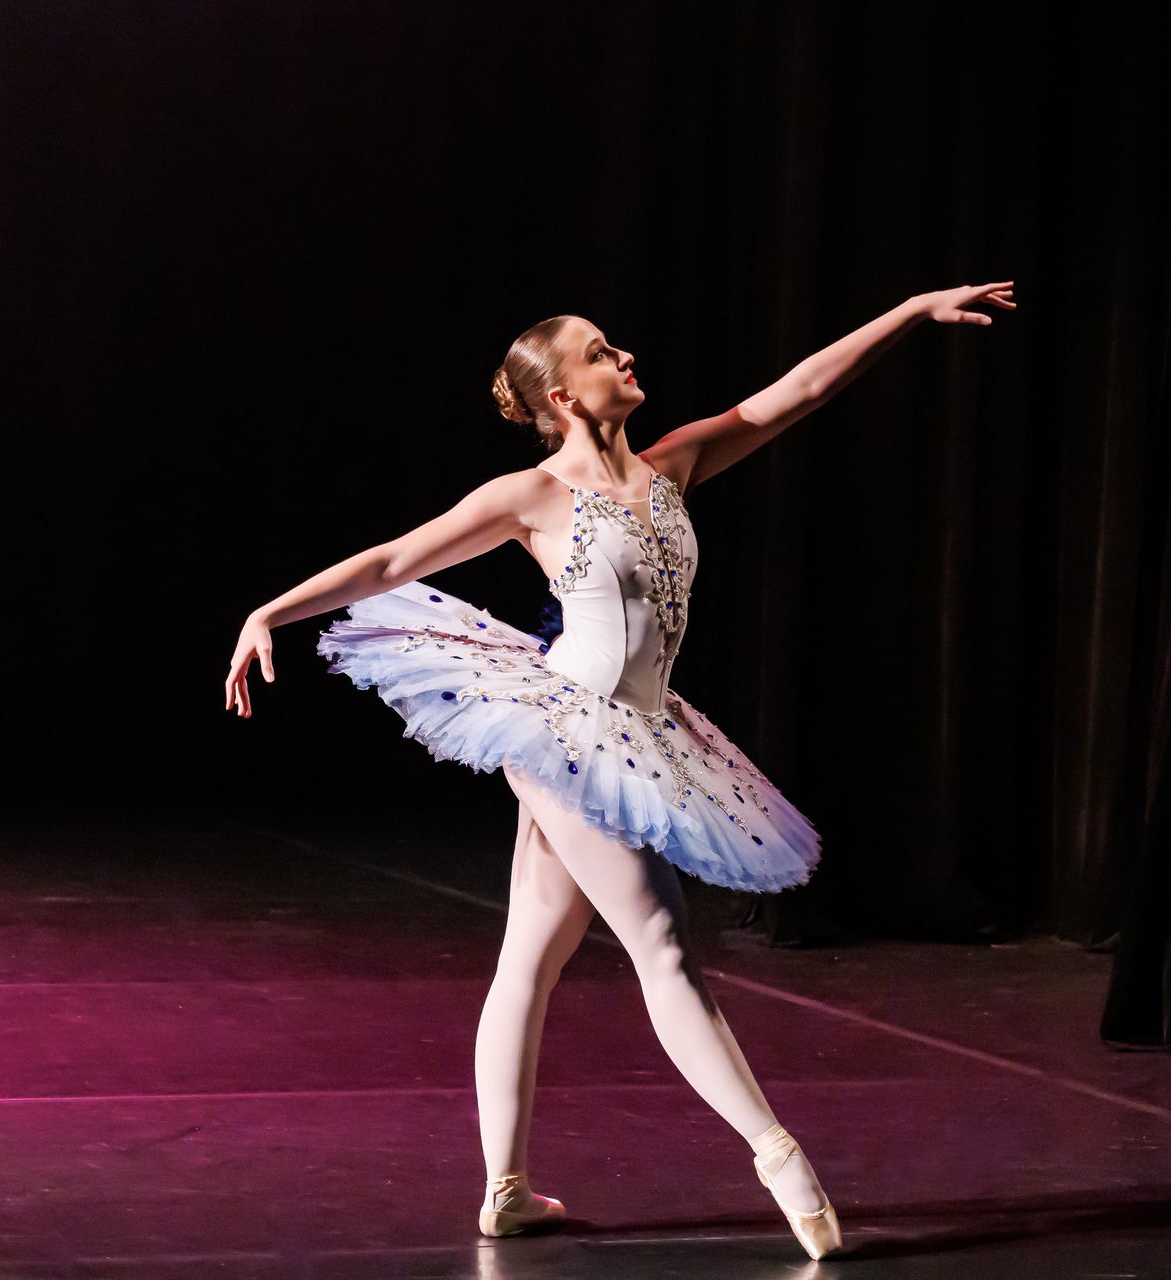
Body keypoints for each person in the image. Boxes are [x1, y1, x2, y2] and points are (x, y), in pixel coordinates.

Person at [224, 283, 1012, 1259]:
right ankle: (778, 1156)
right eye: (599, 352)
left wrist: (911, 311)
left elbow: (801, 390)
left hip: (642, 726)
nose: (624, 355)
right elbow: (394, 562)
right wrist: (270, 611)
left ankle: (505, 1191)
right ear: (561, 396)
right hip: (566, 729)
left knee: (531, 952)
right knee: (661, 939)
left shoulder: (674, 464)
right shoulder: (532, 496)